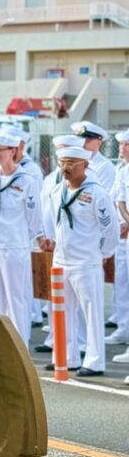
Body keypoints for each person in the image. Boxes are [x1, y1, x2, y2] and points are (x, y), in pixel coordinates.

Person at [41, 146, 119, 377]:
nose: (65, 168)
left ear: (85, 165)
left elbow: (110, 228)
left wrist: (102, 254)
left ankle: (94, 361)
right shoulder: (57, 191)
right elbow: (52, 222)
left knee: (92, 313)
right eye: (62, 162)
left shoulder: (96, 193)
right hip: (62, 261)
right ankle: (66, 357)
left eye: (71, 163)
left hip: (86, 262)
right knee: (62, 311)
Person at [0, 129, 46, 344]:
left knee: (16, 297)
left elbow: (34, 217)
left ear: (13, 151)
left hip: (14, 245)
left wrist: (18, 238)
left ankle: (19, 344)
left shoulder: (26, 179)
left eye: (0, 150)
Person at [108, 130, 129, 346]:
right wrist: (123, 222)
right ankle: (124, 329)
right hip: (123, 235)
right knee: (122, 283)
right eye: (121, 144)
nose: (122, 148)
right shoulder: (123, 171)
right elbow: (119, 201)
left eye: (126, 145)